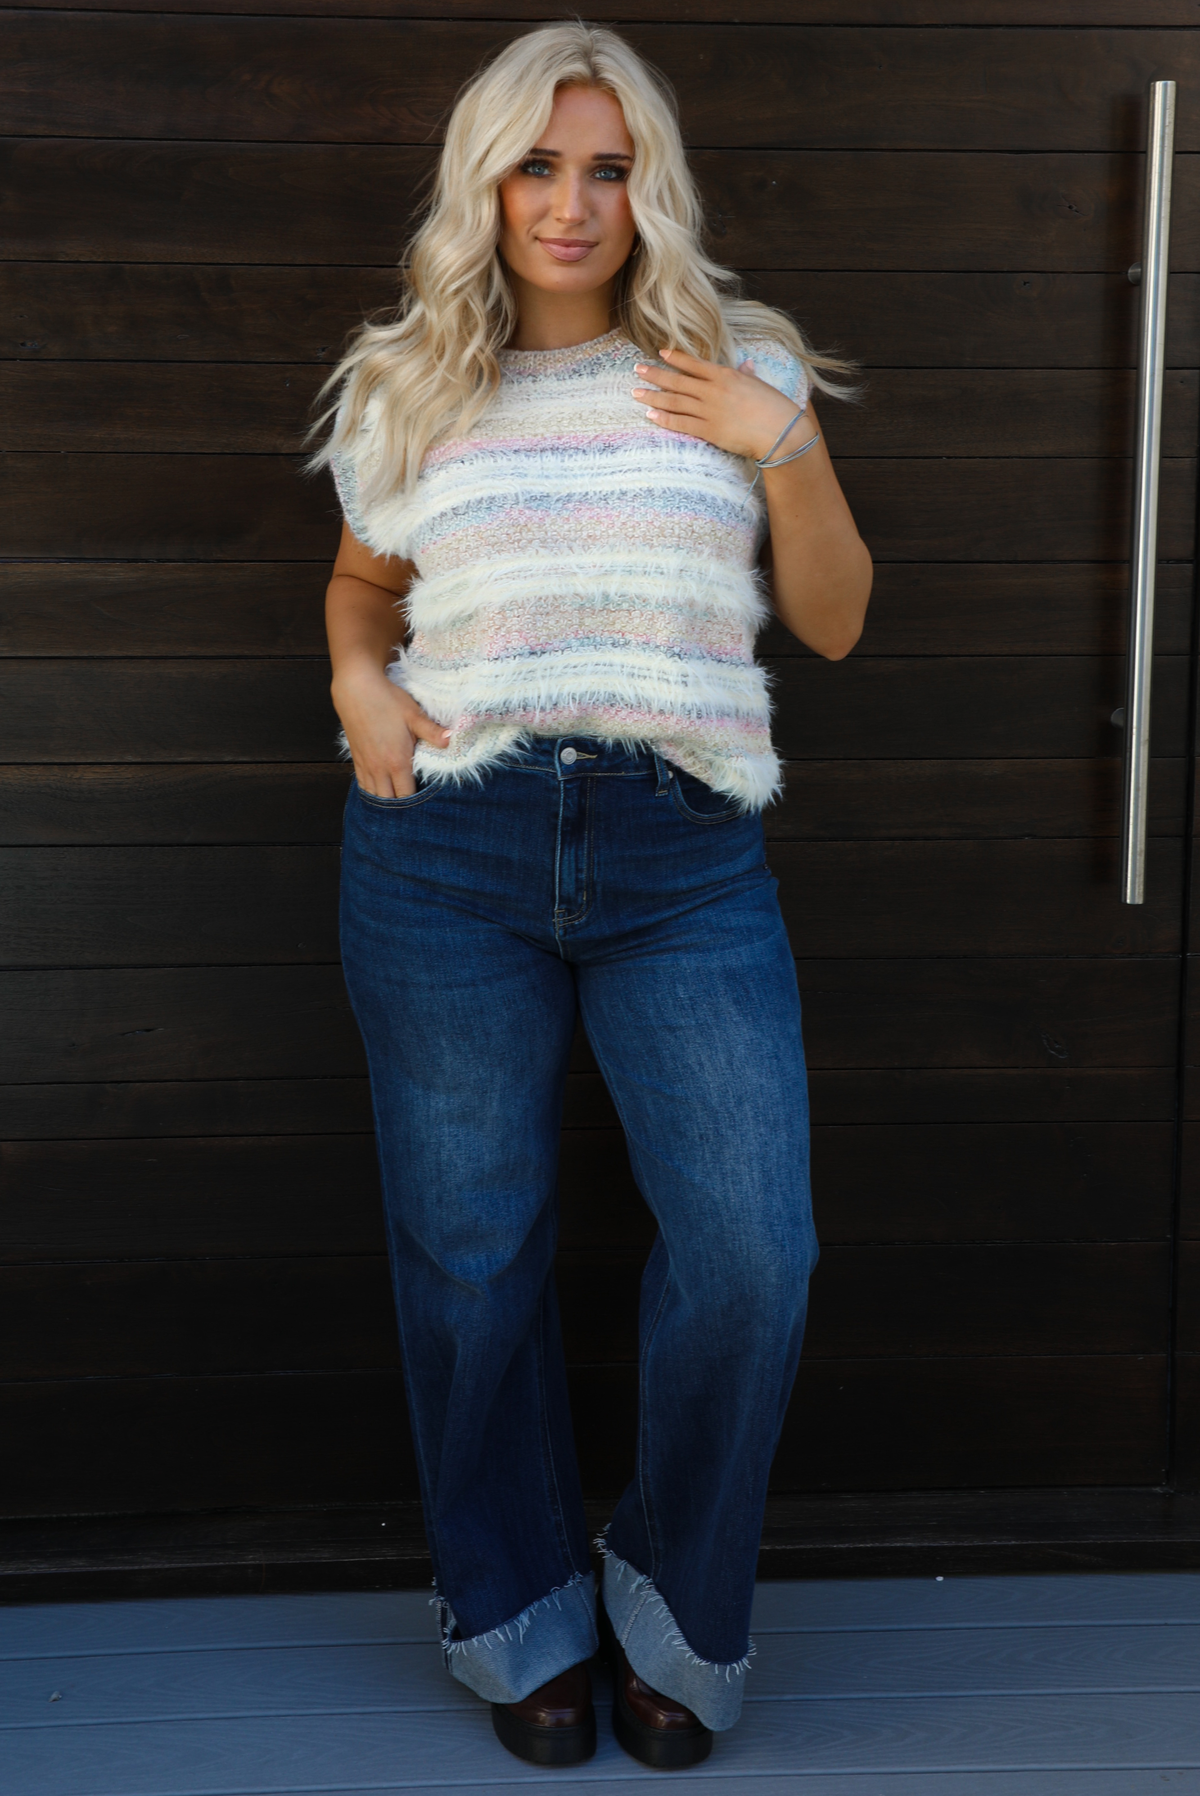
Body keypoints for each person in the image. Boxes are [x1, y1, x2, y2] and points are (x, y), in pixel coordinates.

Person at [312, 20, 871, 1771]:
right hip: (446, 850)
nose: (571, 203)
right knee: (472, 1260)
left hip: (682, 856)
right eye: (536, 167)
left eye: (608, 168)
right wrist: (355, 683)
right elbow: (361, 587)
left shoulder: (737, 364)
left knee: (752, 1252)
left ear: (652, 188)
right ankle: (522, 1615)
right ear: (484, 183)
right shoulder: (411, 380)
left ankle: (677, 1615)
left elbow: (836, 621)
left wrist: (785, 442)